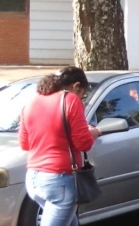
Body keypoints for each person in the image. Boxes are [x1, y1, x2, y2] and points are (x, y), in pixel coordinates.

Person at [19, 67, 100, 226]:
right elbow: (84, 143)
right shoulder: (70, 100)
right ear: (76, 86)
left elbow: (24, 143)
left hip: (34, 179)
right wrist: (94, 133)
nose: (81, 98)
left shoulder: (32, 101)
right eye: (82, 93)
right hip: (60, 181)